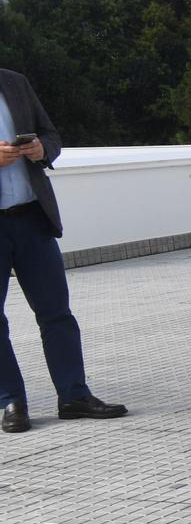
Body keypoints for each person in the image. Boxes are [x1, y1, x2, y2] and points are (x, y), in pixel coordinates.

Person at [0, 67, 126, 434]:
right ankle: (11, 401)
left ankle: (73, 395)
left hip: (32, 217)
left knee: (57, 313)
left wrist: (41, 149)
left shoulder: (15, 82)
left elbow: (51, 135)